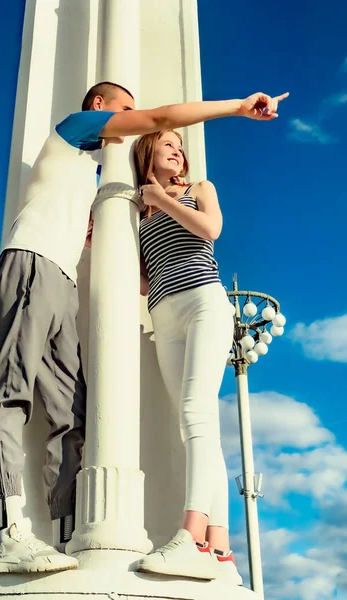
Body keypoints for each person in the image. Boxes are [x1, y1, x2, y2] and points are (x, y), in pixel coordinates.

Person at [0, 82, 288, 575]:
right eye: (127, 110)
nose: (136, 118)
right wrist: (236, 107)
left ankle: (65, 540)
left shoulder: (95, 173)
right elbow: (159, 118)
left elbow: (190, 233)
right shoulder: (76, 129)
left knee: (71, 412)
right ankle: (9, 533)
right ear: (100, 108)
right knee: (13, 395)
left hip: (66, 278)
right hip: (34, 260)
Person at [134, 129, 246, 585]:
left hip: (204, 300)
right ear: (148, 154)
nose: (178, 151)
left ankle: (189, 535)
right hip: (164, 312)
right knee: (195, 427)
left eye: (181, 146)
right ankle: (219, 549)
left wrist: (162, 197)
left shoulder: (198, 190)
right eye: (168, 145)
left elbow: (209, 229)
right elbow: (145, 279)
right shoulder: (141, 214)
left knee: (195, 414)